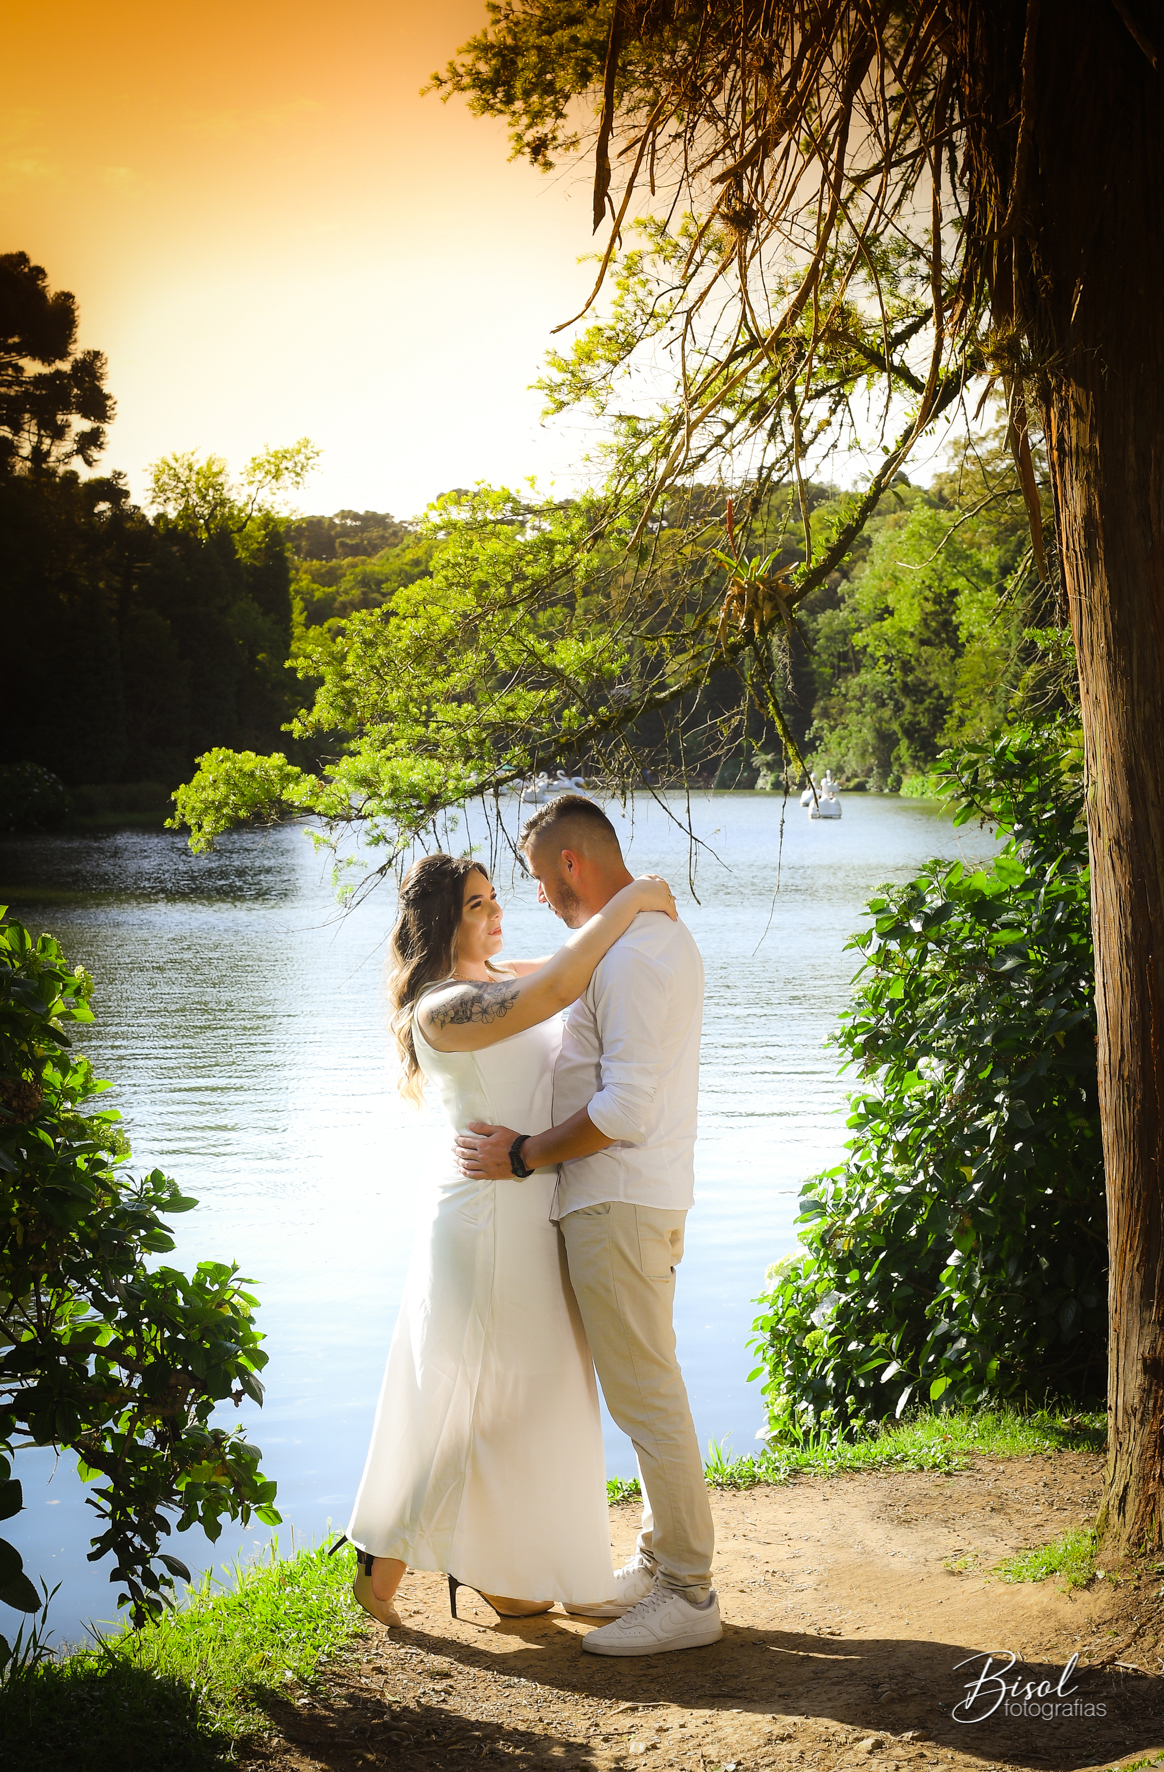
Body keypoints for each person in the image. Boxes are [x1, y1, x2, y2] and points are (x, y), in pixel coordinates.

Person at [344, 851, 677, 1627]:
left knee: (535, 1396)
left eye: (496, 898)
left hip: (530, 1208)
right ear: (440, 924)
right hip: (486, 1217)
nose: (495, 913)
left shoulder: (493, 979)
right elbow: (562, 983)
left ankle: (506, 1565)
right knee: (474, 1403)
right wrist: (632, 899)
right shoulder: (441, 1007)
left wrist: (623, 923)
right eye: (475, 905)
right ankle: (380, 1571)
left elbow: (565, 966)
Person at [455, 796, 721, 1657]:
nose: (535, 896)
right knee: (644, 1389)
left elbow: (626, 1109)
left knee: (648, 1397)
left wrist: (526, 1153)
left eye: (537, 877)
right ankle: (658, 1565)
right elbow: (554, 971)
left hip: (620, 1200)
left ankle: (689, 1593)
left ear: (571, 864)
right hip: (621, 1201)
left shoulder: (639, 957)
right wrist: (635, 897)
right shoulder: (630, 941)